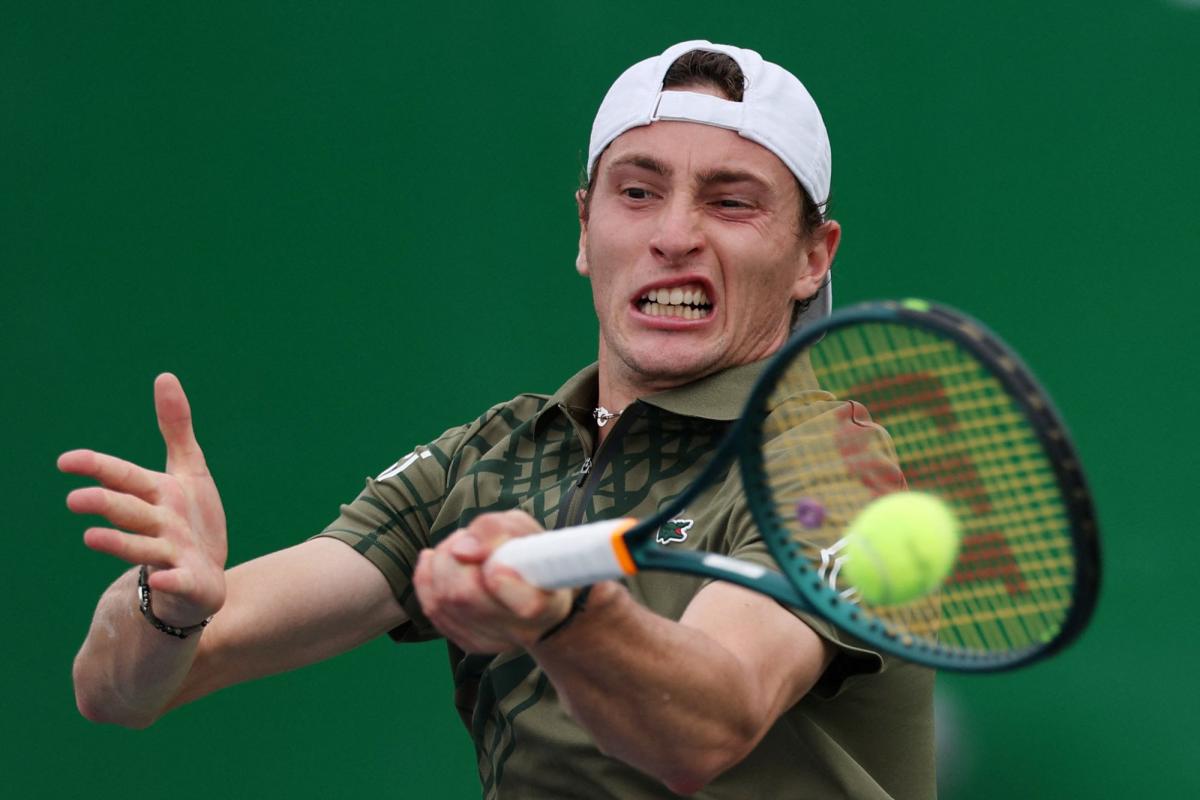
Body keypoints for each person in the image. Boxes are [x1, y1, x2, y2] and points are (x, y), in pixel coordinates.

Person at [61, 41, 935, 798]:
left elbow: (709, 723)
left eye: (730, 201)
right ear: (587, 227)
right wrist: (167, 606)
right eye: (637, 193)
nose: (674, 234)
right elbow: (119, 692)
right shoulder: (489, 458)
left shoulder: (832, 469)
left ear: (811, 259)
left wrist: (562, 614)